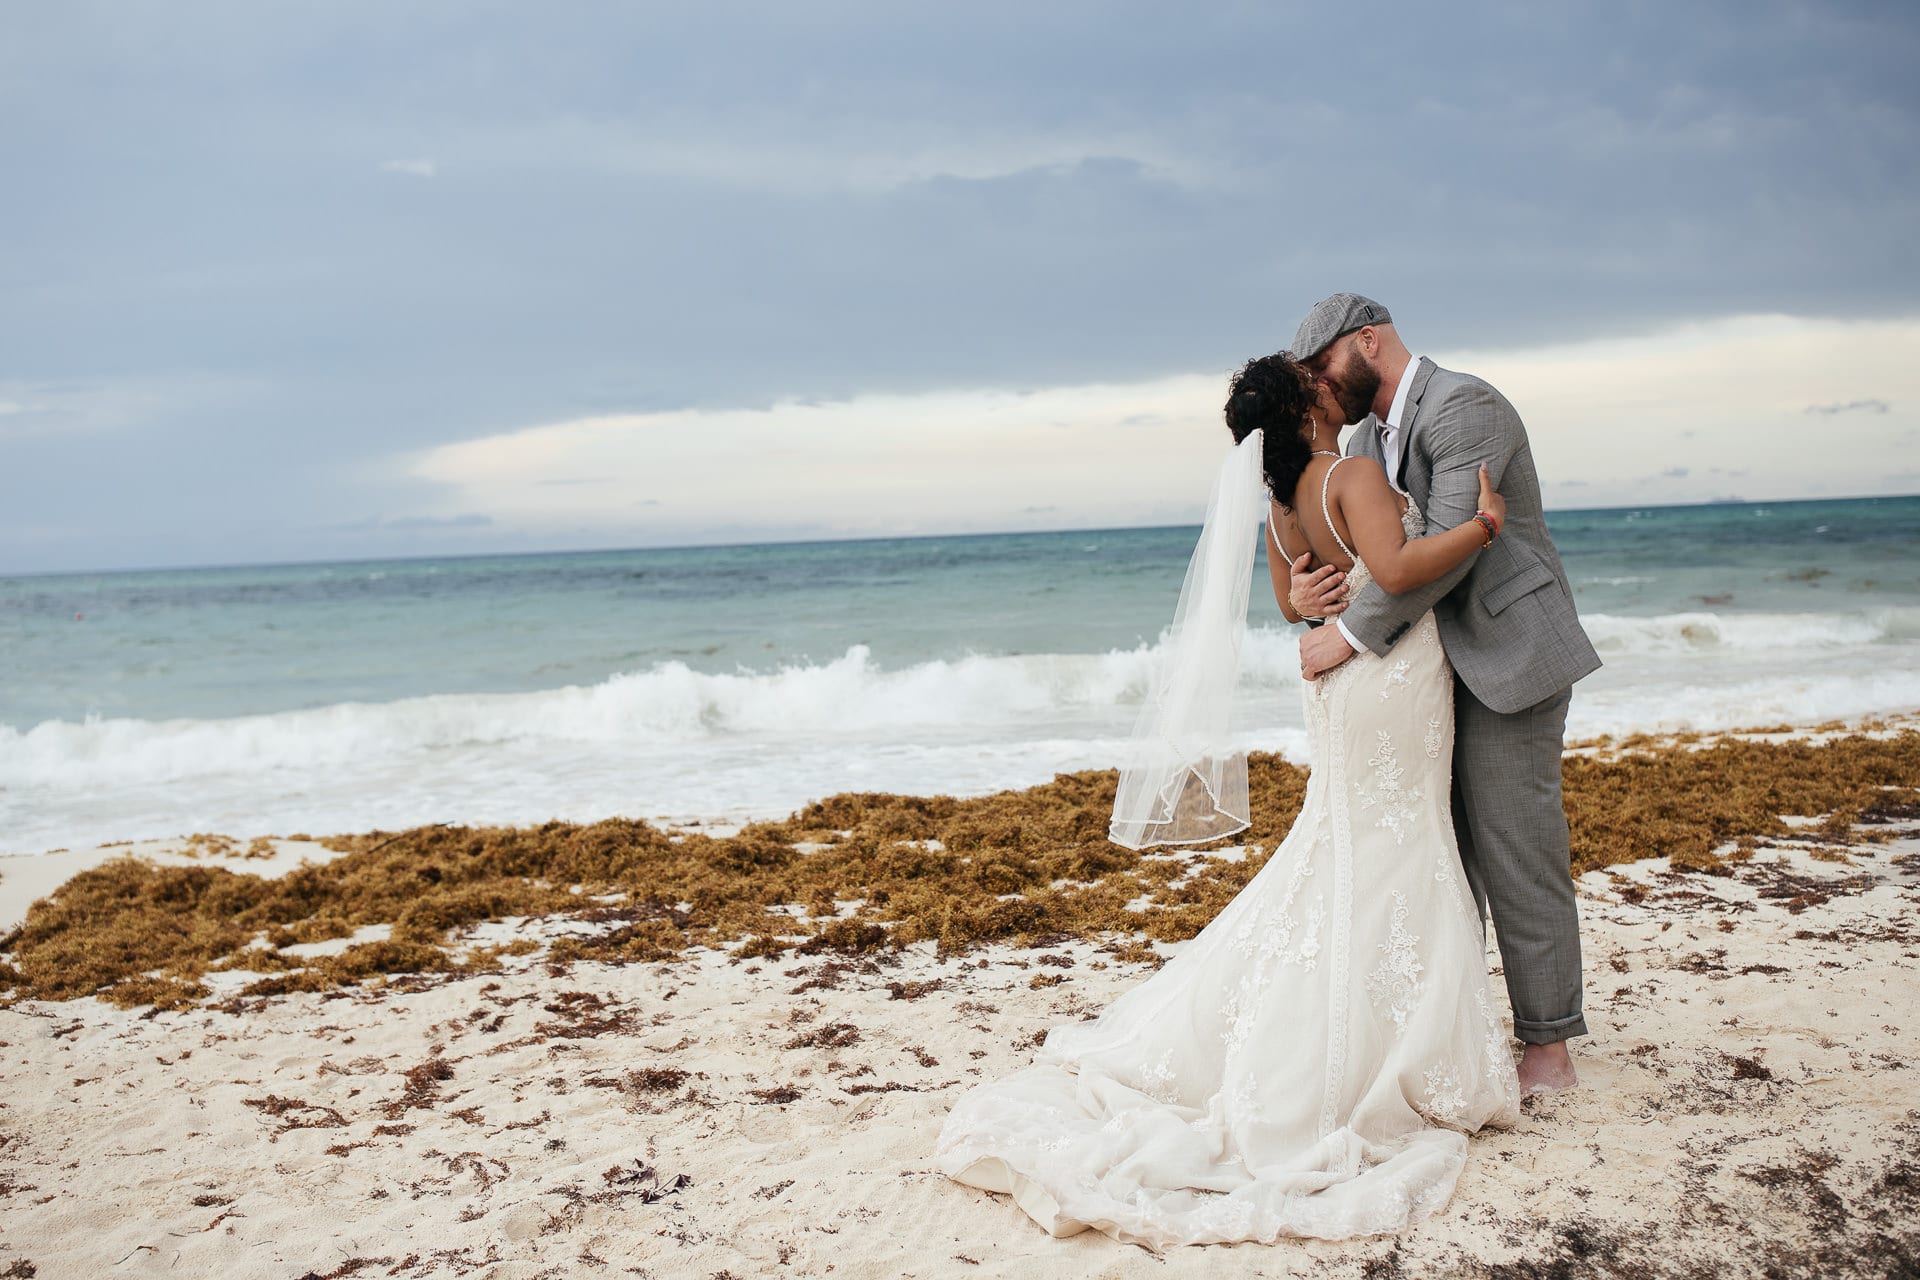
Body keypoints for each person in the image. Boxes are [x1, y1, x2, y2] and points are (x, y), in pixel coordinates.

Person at [932, 349, 1524, 1249]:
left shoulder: (1285, 504)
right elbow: (1399, 574)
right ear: (1306, 409)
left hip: (1338, 685)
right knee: (1394, 838)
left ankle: (1375, 1029)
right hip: (1389, 677)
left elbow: (1294, 600)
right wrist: (1482, 526)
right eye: (1314, 383)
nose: (1329, 385)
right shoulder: (1353, 473)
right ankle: (1384, 1051)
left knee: (1349, 841)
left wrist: (1308, 597)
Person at [1286, 294, 1601, 1096]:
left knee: (1516, 848)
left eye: (1323, 367)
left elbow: (1443, 553)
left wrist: (1347, 635)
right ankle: (1450, 1036)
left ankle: (1548, 1049)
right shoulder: (1358, 441)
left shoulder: (1465, 406)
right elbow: (1365, 548)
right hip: (1423, 675)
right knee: (1438, 857)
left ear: (1368, 341)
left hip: (1507, 655)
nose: (1320, 387)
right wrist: (1305, 585)